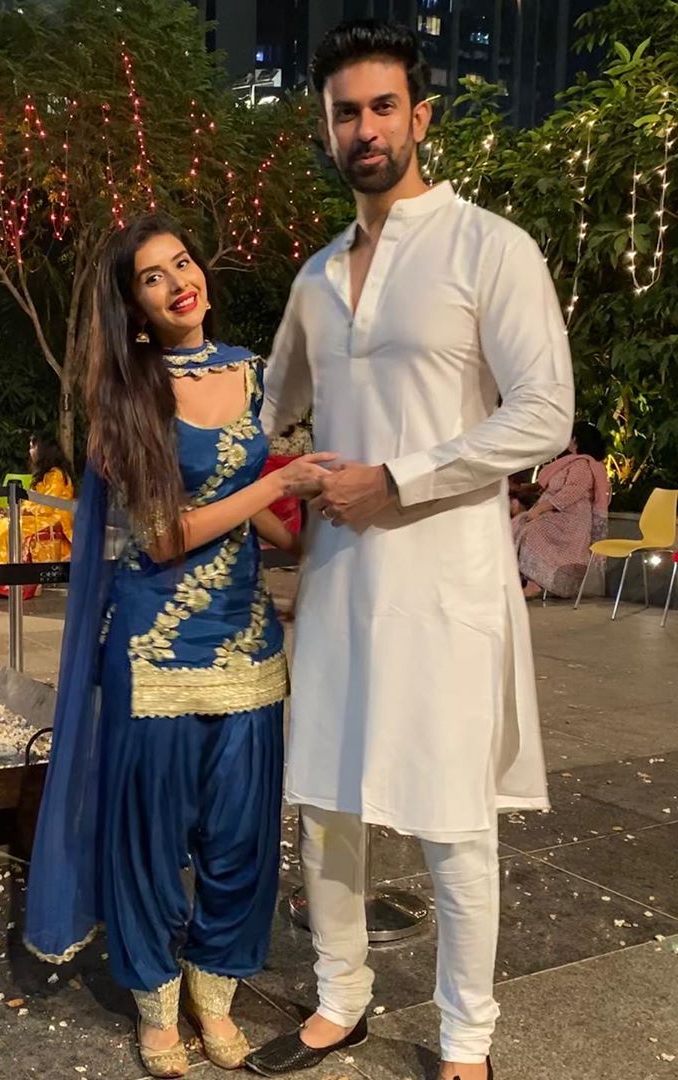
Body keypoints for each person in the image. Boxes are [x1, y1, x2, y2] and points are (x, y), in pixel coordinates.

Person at [245, 21, 574, 1080]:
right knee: (327, 805)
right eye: (345, 112)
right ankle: (341, 998)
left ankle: (466, 1040)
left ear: (420, 117)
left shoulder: (490, 248)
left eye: (383, 107)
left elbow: (544, 413)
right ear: (325, 129)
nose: (365, 128)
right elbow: (266, 413)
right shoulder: (315, 278)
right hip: (340, 583)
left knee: (452, 818)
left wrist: (395, 479)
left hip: (445, 582)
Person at [22, 213, 329, 1079]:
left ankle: (215, 990)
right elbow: (162, 535)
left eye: (182, 263)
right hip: (154, 652)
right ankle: (157, 1005)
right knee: (151, 841)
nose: (177, 283)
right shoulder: (126, 395)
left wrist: (310, 521)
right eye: (152, 277)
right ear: (134, 308)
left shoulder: (256, 374)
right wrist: (281, 482)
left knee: (240, 837)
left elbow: (255, 506)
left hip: (248, 643)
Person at [512, 421, 610, 599]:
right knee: (518, 523)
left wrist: (540, 509)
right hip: (555, 514)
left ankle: (535, 584)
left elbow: (569, 494)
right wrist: (523, 489)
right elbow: (548, 486)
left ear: (576, 439)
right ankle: (518, 579)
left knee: (533, 531)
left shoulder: (583, 465)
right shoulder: (571, 462)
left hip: (569, 520)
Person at [0, 433, 75, 599]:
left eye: (32, 447)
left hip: (53, 519)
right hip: (39, 515)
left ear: (44, 450)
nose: (30, 451)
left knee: (8, 530)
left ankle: (15, 585)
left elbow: (47, 505)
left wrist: (22, 510)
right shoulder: (47, 474)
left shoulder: (56, 475)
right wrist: (19, 509)